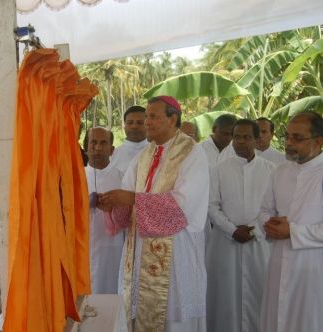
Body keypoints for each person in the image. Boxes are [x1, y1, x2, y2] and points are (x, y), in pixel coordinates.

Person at [98, 96, 208, 332]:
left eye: (153, 116)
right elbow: (128, 192)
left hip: (175, 254)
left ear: (173, 118)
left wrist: (132, 199)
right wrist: (114, 203)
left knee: (172, 318)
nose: (147, 122)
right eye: (147, 116)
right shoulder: (145, 155)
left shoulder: (192, 153)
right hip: (139, 251)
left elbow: (182, 205)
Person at [206, 119, 274, 332]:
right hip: (225, 244)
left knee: (259, 292)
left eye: (247, 137)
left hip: (259, 242)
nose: (241, 142)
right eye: (237, 137)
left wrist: (253, 228)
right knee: (225, 294)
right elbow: (211, 206)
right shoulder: (218, 169)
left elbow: (272, 208)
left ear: (257, 139)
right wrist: (232, 230)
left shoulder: (271, 170)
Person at [260, 111, 323, 332]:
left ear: (318, 141)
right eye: (287, 136)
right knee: (276, 319)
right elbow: (265, 209)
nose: (288, 143)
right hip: (278, 261)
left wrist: (293, 231)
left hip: (312, 267)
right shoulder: (280, 172)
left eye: (297, 138)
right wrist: (269, 224)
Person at [85, 127, 125, 294]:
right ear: (86, 147)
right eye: (93, 143)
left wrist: (113, 208)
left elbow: (130, 214)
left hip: (113, 249)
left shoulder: (122, 178)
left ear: (112, 150)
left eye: (103, 143)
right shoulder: (75, 177)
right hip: (84, 247)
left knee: (112, 294)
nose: (98, 148)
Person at [111, 105, 148, 175]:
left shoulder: (157, 152)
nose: (134, 126)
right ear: (124, 125)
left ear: (148, 124)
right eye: (130, 122)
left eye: (140, 122)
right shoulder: (113, 156)